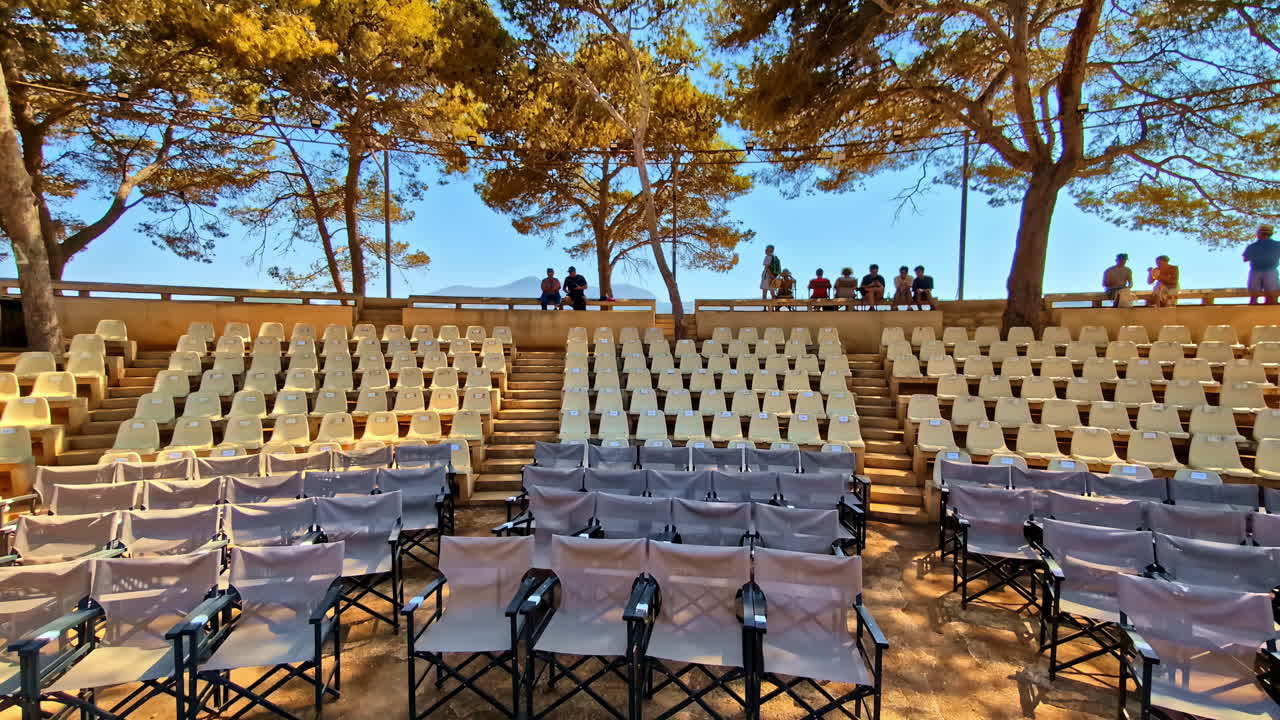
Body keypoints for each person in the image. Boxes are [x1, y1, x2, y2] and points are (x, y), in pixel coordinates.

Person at [1243, 224, 1279, 305]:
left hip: (1258, 271)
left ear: (1259, 234)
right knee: (1271, 294)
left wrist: (1257, 255)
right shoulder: (1277, 245)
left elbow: (1245, 258)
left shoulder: (1253, 246)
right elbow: (1245, 258)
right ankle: (1271, 304)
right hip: (1267, 271)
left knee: (1255, 294)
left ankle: (1257, 305)